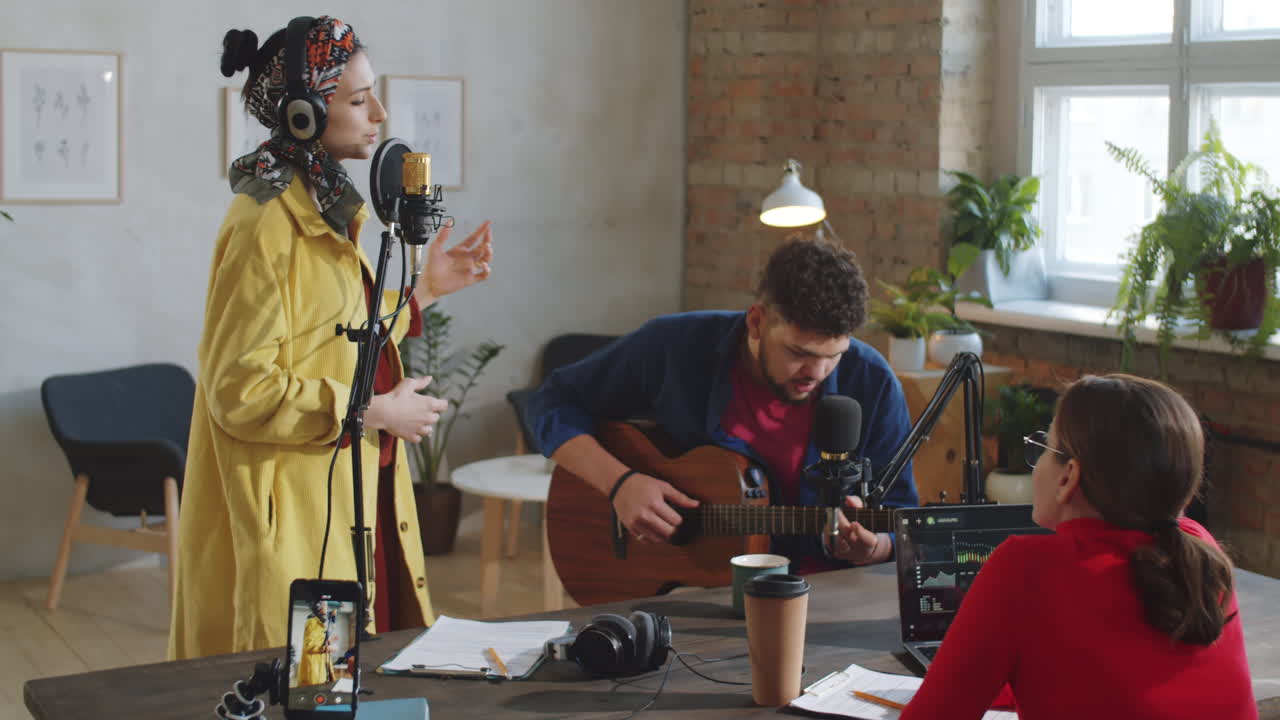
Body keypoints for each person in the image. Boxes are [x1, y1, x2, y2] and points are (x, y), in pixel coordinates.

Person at [169, 16, 494, 660]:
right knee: (307, 686)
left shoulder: (322, 205)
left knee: (360, 674)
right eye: (355, 99)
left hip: (347, 495)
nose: (377, 113)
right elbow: (240, 388)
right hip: (295, 512)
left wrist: (424, 291)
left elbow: (338, 337)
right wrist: (375, 410)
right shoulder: (266, 223)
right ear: (301, 114)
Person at [525, 238, 918, 572]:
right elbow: (551, 401)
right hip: (692, 599)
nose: (816, 372)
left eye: (834, 355)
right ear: (756, 322)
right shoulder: (676, 347)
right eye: (799, 352)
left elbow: (901, 515)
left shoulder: (872, 383)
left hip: (827, 598)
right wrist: (619, 484)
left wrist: (877, 547)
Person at [901, 374, 1255, 720]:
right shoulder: (1200, 549)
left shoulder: (1024, 568)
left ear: (1068, 476)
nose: (1036, 463)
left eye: (1042, 448)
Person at [297, 601, 336, 687]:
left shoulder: (319, 622)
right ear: (319, 607)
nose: (327, 607)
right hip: (314, 670)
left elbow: (319, 641)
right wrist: (327, 648)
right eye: (325, 605)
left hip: (320, 666)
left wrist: (328, 641)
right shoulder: (313, 622)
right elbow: (309, 647)